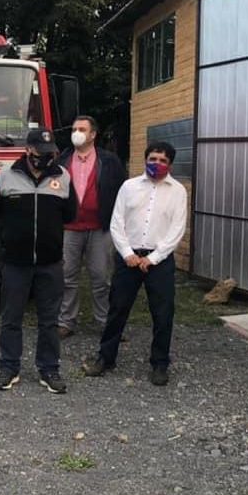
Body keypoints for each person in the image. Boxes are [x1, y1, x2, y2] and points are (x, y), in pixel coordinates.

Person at [82, 142, 188, 386]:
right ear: (145, 159)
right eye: (153, 158)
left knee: (163, 313)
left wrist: (152, 258)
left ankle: (160, 363)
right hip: (128, 259)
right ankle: (105, 358)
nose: (157, 163)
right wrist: (128, 253)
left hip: (158, 260)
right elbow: (117, 222)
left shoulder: (178, 191)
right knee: (117, 309)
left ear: (170, 164)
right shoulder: (128, 187)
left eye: (162, 160)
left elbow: (176, 229)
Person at [0, 129, 77, 394]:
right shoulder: (5, 175)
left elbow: (70, 214)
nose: (45, 159)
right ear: (28, 151)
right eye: (40, 154)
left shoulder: (63, 177)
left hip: (50, 262)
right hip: (15, 262)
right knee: (11, 317)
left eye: (49, 154)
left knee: (49, 320)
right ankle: (9, 367)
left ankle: (49, 369)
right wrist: (11, 235)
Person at [57, 116, 127, 338]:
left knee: (101, 278)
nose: (76, 132)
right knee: (67, 277)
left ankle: (105, 322)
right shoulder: (62, 160)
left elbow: (121, 193)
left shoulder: (109, 161)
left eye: (82, 129)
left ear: (93, 134)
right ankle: (66, 321)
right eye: (75, 129)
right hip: (69, 228)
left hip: (100, 228)